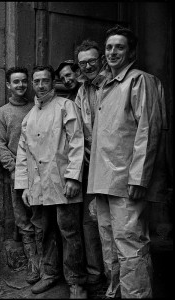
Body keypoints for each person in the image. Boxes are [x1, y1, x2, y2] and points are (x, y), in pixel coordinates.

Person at [87, 25, 165, 298]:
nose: (112, 52)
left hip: (125, 181)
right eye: (109, 47)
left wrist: (139, 178)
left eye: (119, 47)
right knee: (110, 247)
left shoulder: (140, 80)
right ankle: (116, 293)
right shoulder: (105, 87)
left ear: (131, 51)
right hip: (103, 182)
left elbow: (148, 131)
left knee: (130, 247)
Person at [15, 65, 88, 298]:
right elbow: (22, 154)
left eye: (45, 80)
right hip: (37, 185)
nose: (40, 85)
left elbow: (77, 142)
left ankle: (76, 281)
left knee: (69, 231)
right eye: (36, 81)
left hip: (62, 182)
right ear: (32, 84)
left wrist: (73, 177)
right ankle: (50, 274)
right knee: (45, 231)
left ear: (52, 82)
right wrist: (24, 187)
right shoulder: (29, 117)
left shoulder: (66, 106)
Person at [0, 66, 42, 284]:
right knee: (22, 218)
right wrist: (12, 169)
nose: (20, 85)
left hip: (41, 171)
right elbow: (0, 144)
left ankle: (46, 263)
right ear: (8, 85)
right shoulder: (3, 113)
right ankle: (33, 264)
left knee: (41, 217)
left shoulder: (37, 107)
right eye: (16, 82)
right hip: (17, 173)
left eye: (24, 81)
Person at [71, 40, 107, 291]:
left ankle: (113, 278)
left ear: (101, 60)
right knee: (90, 223)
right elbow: (76, 129)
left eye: (92, 61)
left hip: (112, 165)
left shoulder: (113, 84)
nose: (87, 66)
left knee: (113, 223)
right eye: (82, 63)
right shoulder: (81, 91)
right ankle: (95, 274)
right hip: (88, 165)